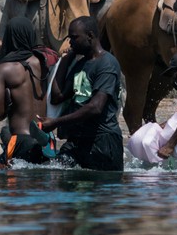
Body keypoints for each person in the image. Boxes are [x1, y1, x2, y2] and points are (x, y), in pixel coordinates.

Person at [39, 16, 124, 171]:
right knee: (56, 175)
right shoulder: (80, 64)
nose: (70, 42)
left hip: (102, 142)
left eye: (74, 38)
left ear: (90, 36)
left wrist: (55, 122)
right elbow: (57, 97)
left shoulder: (107, 64)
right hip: (77, 140)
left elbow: (96, 107)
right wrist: (65, 59)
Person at [0, 17, 50, 166]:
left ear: (8, 37)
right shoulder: (43, 63)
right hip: (46, 141)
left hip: (20, 141)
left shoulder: (2, 70)